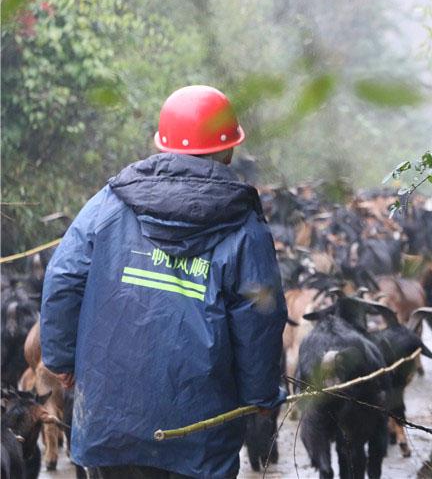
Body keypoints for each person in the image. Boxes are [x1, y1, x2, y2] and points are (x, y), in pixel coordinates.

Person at [40, 85, 287, 479]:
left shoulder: (109, 202)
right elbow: (259, 318)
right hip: (200, 432)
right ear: (228, 151)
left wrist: (60, 359)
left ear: (162, 146)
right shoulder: (246, 227)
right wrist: (260, 395)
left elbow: (64, 277)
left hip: (110, 421)